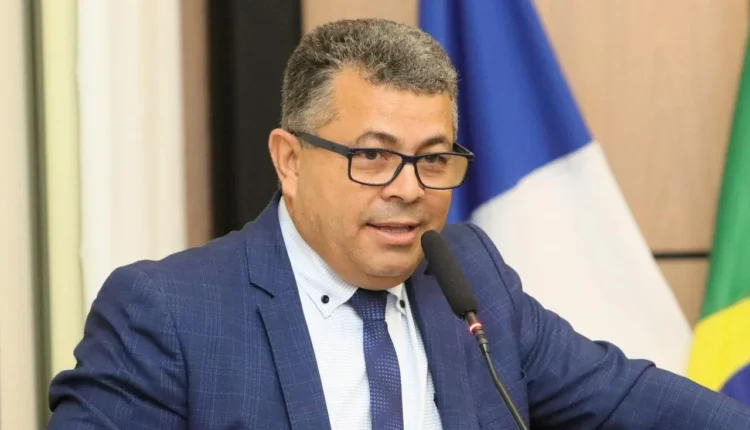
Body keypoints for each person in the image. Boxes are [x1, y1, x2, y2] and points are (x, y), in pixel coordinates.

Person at [47, 18, 750, 430]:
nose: (410, 190)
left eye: (434, 159)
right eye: (374, 157)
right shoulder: (169, 312)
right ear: (290, 161)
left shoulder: (468, 276)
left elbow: (630, 399)